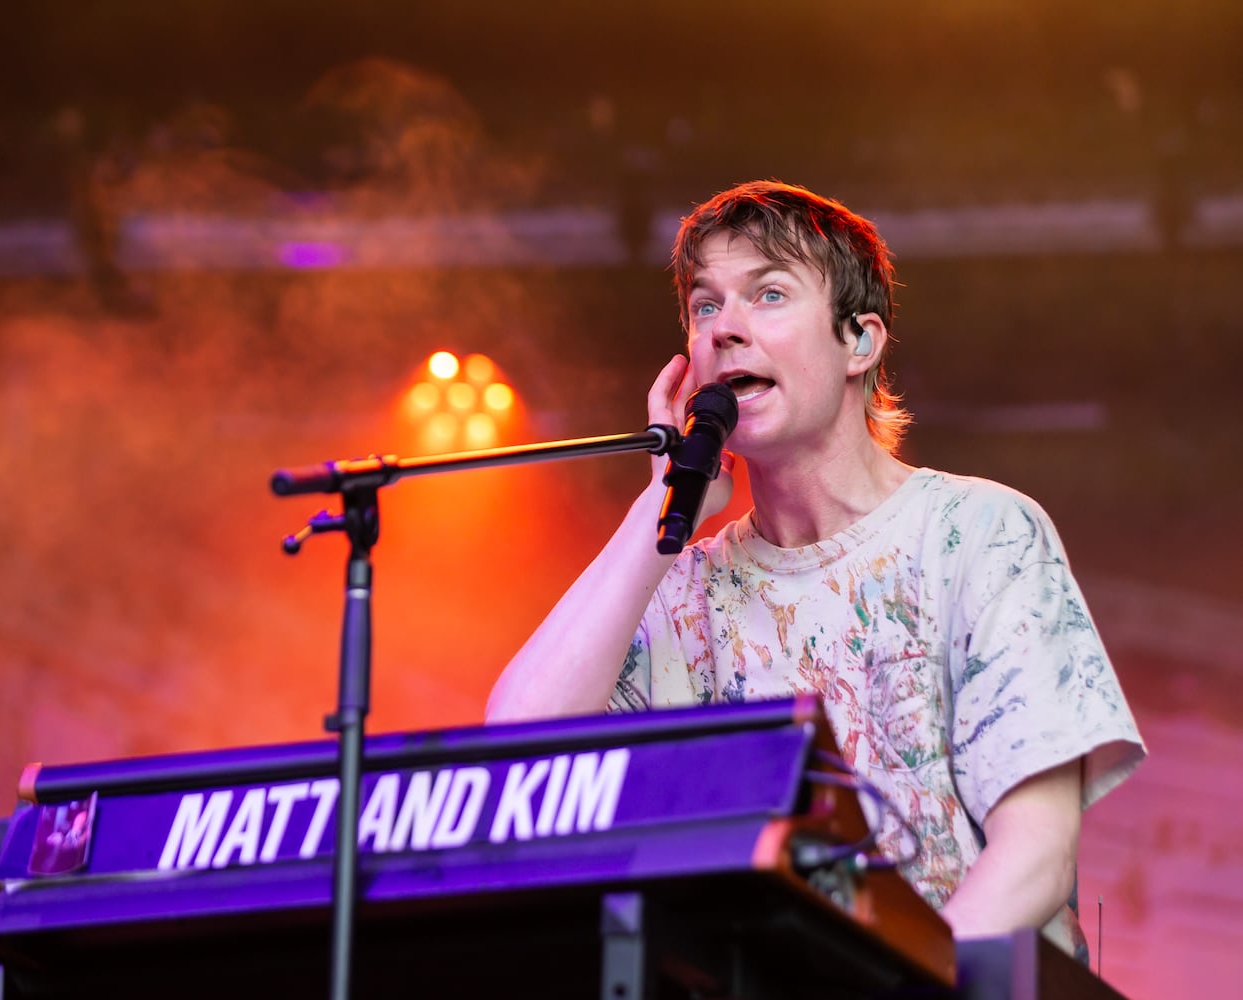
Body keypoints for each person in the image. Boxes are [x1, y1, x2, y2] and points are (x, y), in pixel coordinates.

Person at [485, 179, 1145, 960]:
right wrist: (656, 513)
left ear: (858, 343)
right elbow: (516, 752)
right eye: (704, 305)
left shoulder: (979, 532)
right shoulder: (682, 589)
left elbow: (1036, 855)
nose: (725, 328)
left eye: (767, 294)